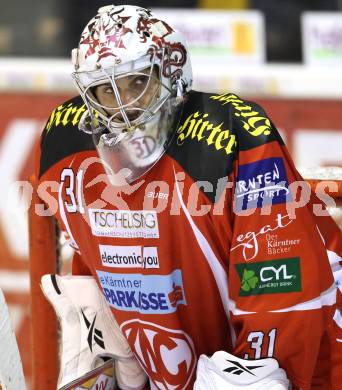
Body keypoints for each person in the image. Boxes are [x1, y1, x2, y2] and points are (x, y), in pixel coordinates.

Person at [35, 4, 342, 389]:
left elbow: (280, 288)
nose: (124, 106)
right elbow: (93, 261)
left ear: (171, 70)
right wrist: (119, 352)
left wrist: (248, 375)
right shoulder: (64, 145)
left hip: (309, 360)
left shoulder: (230, 134)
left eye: (135, 83)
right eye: (105, 90)